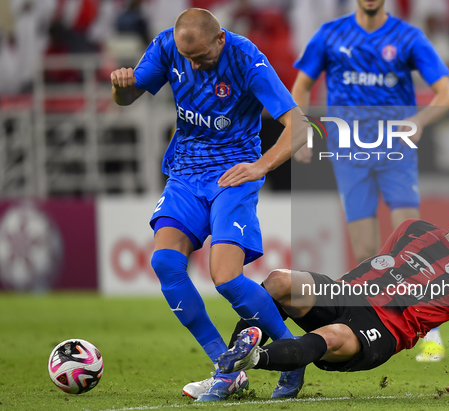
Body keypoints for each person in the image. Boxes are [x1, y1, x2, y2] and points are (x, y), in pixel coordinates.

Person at [110, 8, 306, 402]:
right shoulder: (169, 45)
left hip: (232, 176)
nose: (195, 65)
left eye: (202, 58)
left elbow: (298, 125)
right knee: (164, 263)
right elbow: (128, 98)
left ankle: (292, 355)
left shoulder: (246, 58)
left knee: (226, 278)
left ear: (219, 39)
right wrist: (121, 85)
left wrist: (261, 165)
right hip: (185, 172)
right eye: (189, 60)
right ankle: (225, 366)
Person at [218, 183, 449, 400]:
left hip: (383, 329)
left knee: (332, 336)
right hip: (348, 294)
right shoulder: (414, 229)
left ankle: (255, 358)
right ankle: (228, 377)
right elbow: (375, 267)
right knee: (279, 281)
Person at [291, 0, 449, 362]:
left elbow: (447, 93)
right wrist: (301, 130)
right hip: (350, 152)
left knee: (413, 244)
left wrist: (420, 122)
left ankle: (432, 332)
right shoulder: (330, 35)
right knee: (367, 253)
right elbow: (300, 87)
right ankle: (367, 325)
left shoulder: (407, 37)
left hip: (395, 150)